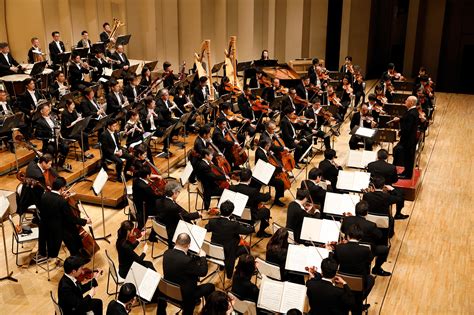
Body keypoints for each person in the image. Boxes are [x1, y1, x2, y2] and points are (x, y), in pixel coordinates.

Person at [159, 233, 215, 315]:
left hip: (168, 291)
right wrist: (203, 257)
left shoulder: (166, 253)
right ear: (188, 246)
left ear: (176, 242)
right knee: (210, 287)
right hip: (184, 296)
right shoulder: (187, 261)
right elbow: (203, 272)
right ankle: (209, 312)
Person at [39, 176, 92, 259]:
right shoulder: (62, 201)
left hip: (45, 228)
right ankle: (76, 255)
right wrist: (85, 221)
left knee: (69, 227)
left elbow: (53, 206)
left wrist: (61, 197)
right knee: (73, 231)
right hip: (57, 231)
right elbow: (71, 219)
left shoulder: (44, 195)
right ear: (62, 188)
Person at [329, 224, 374, 314]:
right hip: (358, 284)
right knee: (371, 279)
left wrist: (332, 250)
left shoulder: (339, 248)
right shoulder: (365, 250)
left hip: (341, 281)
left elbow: (335, 261)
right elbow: (370, 259)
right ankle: (359, 302)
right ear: (360, 237)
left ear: (348, 236)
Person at [205, 200, 254, 278]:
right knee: (246, 248)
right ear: (231, 212)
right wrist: (251, 226)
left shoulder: (212, 221)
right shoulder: (234, 225)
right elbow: (248, 231)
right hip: (228, 253)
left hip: (215, 250)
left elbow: (207, 228)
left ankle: (221, 266)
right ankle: (232, 273)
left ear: (220, 210)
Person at [342, 201, 391, 276]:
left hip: (348, 247)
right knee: (385, 249)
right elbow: (379, 236)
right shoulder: (370, 225)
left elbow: (343, 230)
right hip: (366, 249)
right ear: (367, 212)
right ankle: (376, 269)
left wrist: (352, 217)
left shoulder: (346, 220)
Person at [155, 181, 201, 247]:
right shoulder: (173, 207)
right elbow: (187, 216)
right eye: (178, 192)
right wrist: (199, 214)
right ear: (175, 193)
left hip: (160, 228)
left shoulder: (158, 201)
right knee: (193, 228)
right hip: (170, 232)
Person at [229, 168, 272, 237]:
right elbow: (265, 198)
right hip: (250, 217)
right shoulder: (253, 191)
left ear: (240, 177)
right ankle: (261, 232)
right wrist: (268, 194)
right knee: (266, 211)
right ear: (250, 179)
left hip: (235, 215)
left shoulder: (232, 187)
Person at [34, 103, 71, 171]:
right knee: (51, 149)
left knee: (66, 147)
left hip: (57, 138)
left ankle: (60, 164)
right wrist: (48, 138)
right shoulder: (39, 121)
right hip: (48, 141)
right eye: (46, 110)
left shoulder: (52, 117)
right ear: (42, 111)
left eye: (49, 110)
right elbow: (38, 135)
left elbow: (56, 125)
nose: (48, 111)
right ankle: (51, 166)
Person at [392, 96, 422, 178]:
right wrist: (400, 119)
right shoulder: (412, 111)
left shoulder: (412, 113)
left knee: (408, 157)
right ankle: (406, 171)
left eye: (407, 100)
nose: (405, 101)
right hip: (408, 139)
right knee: (406, 156)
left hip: (408, 140)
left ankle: (407, 175)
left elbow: (408, 128)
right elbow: (406, 119)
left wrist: (401, 132)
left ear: (411, 102)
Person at [253, 138, 286, 207]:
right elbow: (269, 167)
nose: (270, 147)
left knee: (279, 181)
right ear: (266, 146)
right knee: (280, 183)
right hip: (261, 176)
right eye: (269, 146)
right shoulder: (261, 154)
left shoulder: (261, 150)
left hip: (264, 172)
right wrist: (280, 169)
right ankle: (277, 200)